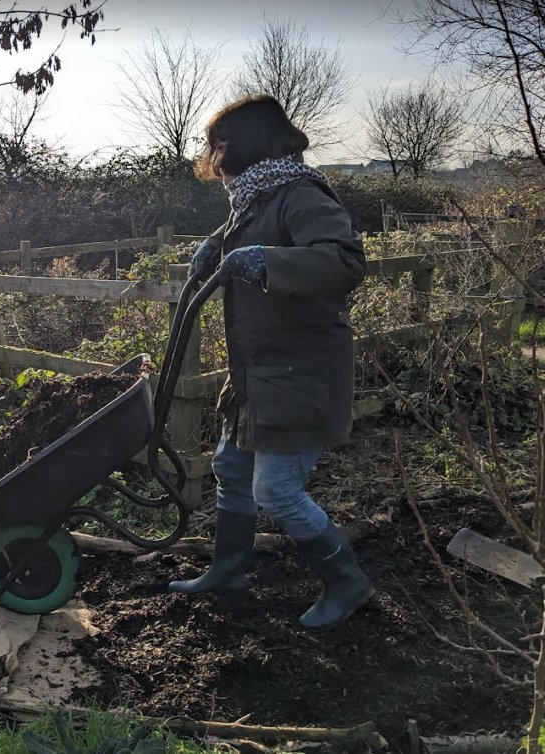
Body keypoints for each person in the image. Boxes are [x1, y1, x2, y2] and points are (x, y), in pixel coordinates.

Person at [169, 95, 373, 628]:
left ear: (248, 143)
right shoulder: (255, 199)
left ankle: (347, 583)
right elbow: (258, 231)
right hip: (258, 373)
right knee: (231, 469)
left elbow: (345, 260)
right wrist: (216, 243)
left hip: (299, 371)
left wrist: (265, 261)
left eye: (219, 143)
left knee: (276, 489)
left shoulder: (301, 193)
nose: (212, 154)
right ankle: (229, 570)